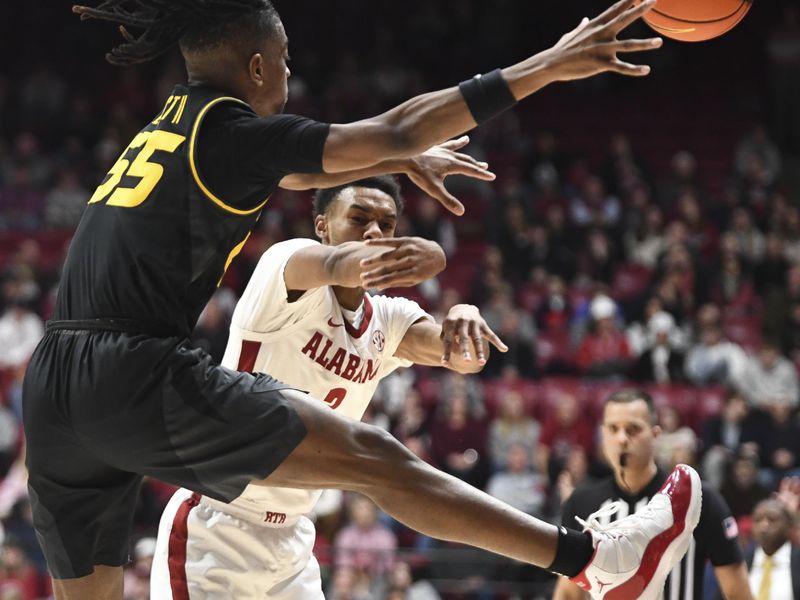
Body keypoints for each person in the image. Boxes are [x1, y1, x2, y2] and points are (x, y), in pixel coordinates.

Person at [23, 1, 700, 599]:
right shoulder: (231, 137)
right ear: (258, 67)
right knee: (375, 459)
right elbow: (399, 128)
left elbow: (356, 158)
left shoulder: (175, 127)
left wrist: (398, 163)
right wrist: (547, 65)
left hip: (54, 382)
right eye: (285, 60)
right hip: (133, 375)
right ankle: (595, 558)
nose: (289, 76)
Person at [150, 175, 505, 597]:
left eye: (387, 225)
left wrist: (464, 314)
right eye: (358, 219)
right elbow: (340, 265)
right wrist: (426, 252)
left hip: (295, 538)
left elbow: (465, 358)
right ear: (321, 227)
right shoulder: (287, 269)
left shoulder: (388, 319)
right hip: (218, 524)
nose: (375, 232)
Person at [553, 389, 752, 600]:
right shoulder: (581, 502)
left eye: (633, 429)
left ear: (655, 435)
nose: (622, 439)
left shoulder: (698, 497)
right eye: (613, 429)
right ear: (603, 435)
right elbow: (567, 592)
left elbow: (738, 591)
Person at [745, 498, 800, 600]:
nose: (763, 526)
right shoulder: (741, 562)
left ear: (789, 525)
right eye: (757, 520)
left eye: (772, 519)